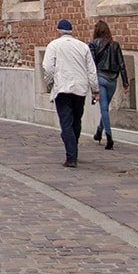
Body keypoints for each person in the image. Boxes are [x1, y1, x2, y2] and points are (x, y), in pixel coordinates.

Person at [42, 18, 99, 168]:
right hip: (80, 88)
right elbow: (91, 70)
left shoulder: (54, 45)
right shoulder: (83, 46)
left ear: (59, 31)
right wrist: (95, 90)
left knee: (66, 122)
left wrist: (49, 82)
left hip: (63, 87)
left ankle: (71, 156)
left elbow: (48, 67)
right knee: (76, 120)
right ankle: (74, 149)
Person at [89, 19, 129, 150]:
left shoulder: (93, 44)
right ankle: (99, 131)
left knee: (104, 109)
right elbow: (122, 64)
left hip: (100, 78)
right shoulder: (115, 45)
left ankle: (109, 136)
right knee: (105, 108)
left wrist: (91, 83)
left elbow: (92, 65)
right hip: (112, 80)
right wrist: (125, 82)